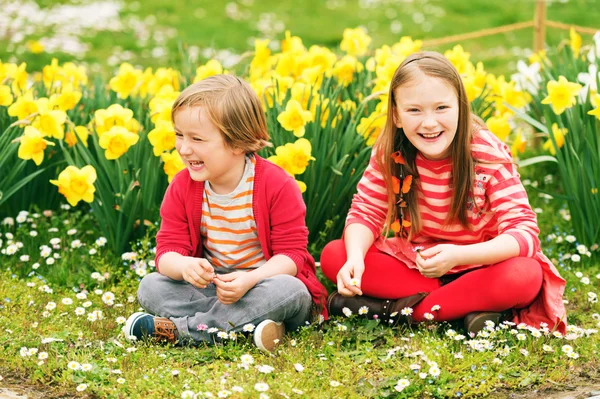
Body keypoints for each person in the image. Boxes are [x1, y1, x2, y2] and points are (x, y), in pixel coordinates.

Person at [320, 51, 566, 335]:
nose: (429, 123)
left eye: (441, 108)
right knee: (335, 254)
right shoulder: (391, 151)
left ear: (461, 108)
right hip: (419, 267)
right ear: (397, 115)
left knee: (524, 275)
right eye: (414, 110)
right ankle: (463, 310)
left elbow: (524, 231)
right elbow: (367, 210)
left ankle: (400, 313)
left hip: (482, 265)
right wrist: (354, 259)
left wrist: (459, 256)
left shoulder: (485, 153)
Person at [123, 75, 327, 352]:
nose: (184, 148)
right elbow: (167, 252)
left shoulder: (277, 185)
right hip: (214, 289)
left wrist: (250, 279)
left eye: (197, 138)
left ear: (238, 143)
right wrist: (184, 267)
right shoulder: (182, 187)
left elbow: (291, 257)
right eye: (179, 135)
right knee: (151, 286)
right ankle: (248, 326)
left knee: (289, 291)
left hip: (263, 285)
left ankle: (182, 331)